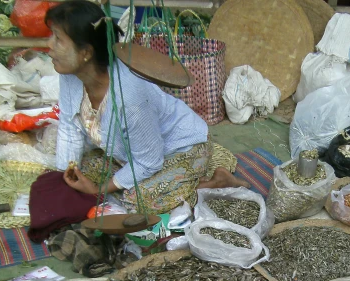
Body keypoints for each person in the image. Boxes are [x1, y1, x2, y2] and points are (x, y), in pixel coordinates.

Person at [45, 0, 245, 214]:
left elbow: (149, 161)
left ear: (86, 52)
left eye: (58, 39)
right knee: (80, 170)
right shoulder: (71, 75)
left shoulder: (129, 96)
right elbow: (69, 126)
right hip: (131, 152)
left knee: (137, 201)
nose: (49, 45)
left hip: (180, 148)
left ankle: (217, 182)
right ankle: (175, 181)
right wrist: (64, 175)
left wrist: (98, 189)